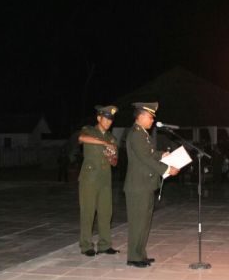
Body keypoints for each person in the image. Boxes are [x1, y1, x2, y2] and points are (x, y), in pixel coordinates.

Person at [124, 102, 179, 268]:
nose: (152, 121)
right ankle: (133, 257)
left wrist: (162, 154)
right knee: (137, 222)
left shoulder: (143, 134)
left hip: (145, 184)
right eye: (150, 117)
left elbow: (150, 154)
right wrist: (168, 168)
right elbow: (145, 159)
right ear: (140, 116)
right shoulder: (136, 134)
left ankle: (140, 254)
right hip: (138, 185)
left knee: (145, 222)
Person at [77, 105, 121, 257]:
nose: (109, 122)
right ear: (99, 118)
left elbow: (115, 162)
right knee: (88, 212)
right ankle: (86, 245)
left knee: (106, 213)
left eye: (111, 120)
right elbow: (81, 138)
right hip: (89, 179)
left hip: (105, 180)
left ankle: (104, 245)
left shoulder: (112, 137)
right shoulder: (89, 130)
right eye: (106, 118)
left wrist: (111, 157)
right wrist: (104, 143)